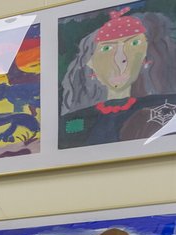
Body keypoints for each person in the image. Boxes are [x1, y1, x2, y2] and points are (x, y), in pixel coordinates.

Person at [59, 6, 176, 149]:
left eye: (134, 44)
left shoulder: (165, 106)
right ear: (90, 62)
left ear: (146, 56)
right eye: (107, 48)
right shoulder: (74, 122)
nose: (120, 58)